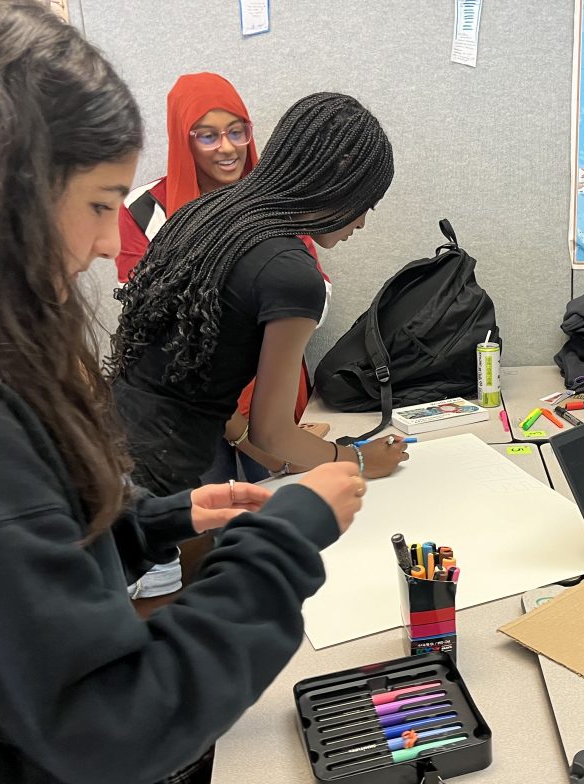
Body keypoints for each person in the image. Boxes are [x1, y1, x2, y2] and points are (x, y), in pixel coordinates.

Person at [0, 1, 365, 784]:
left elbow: (15, 576)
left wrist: (154, 522)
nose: (106, 245)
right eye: (97, 205)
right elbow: (116, 720)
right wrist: (288, 541)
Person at [109, 92, 408, 499]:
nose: (362, 222)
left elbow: (194, 366)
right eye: (366, 204)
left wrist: (282, 450)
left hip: (107, 446)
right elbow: (273, 432)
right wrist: (358, 459)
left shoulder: (206, 216)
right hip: (156, 481)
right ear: (340, 187)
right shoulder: (292, 274)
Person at [115, 71, 324, 487]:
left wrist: (271, 431)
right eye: (207, 136)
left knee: (290, 518)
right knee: (207, 528)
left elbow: (303, 298)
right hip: (191, 412)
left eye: (236, 131)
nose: (227, 148)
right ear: (183, 139)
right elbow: (157, 330)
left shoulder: (278, 200)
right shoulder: (143, 212)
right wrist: (244, 434)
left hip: (275, 402)